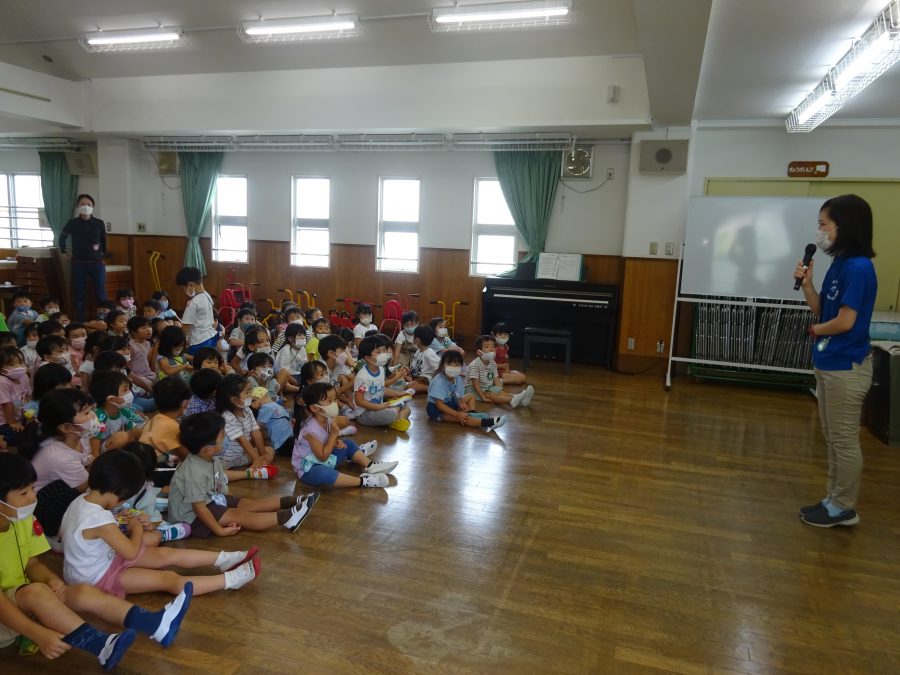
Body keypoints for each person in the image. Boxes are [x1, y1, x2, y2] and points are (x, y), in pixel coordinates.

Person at [0, 453, 192, 669]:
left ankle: (154, 624)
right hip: (7, 616)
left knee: (81, 591)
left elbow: (31, 564)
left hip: (24, 602)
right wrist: (38, 634)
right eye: (23, 493)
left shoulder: (23, 519)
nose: (33, 497)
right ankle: (100, 645)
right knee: (36, 592)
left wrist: (52, 580)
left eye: (32, 489)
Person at [59, 451, 260, 598]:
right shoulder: (99, 519)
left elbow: (69, 534)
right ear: (119, 492)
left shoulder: (81, 501)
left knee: (166, 554)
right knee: (168, 579)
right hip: (95, 578)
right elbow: (131, 552)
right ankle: (229, 581)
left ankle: (225, 559)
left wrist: (118, 520)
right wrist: (136, 528)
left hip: (98, 562)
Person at [794, 194, 877, 528]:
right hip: (829, 361)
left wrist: (816, 330)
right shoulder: (840, 263)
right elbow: (821, 308)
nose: (819, 231)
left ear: (844, 226)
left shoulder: (859, 268)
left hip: (847, 365)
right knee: (832, 436)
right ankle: (833, 499)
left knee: (843, 440)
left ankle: (844, 506)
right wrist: (807, 284)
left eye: (823, 224)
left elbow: (844, 322)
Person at [169, 412, 316, 536]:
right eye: (223, 436)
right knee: (240, 515)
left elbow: (221, 484)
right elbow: (199, 508)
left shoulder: (211, 458)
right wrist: (219, 530)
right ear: (209, 449)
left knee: (246, 504)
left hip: (211, 499)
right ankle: (287, 518)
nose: (226, 438)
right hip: (192, 517)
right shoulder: (193, 472)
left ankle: (295, 501)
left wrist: (230, 504)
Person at [21, 388, 97, 539]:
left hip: (55, 493)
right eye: (86, 413)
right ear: (65, 427)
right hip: (40, 507)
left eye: (91, 411)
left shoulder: (80, 436)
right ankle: (54, 534)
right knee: (72, 492)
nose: (93, 417)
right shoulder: (59, 456)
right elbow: (88, 489)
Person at [292, 382, 395, 489]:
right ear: (315, 408)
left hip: (324, 459)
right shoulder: (310, 431)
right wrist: (333, 436)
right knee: (324, 473)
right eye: (329, 401)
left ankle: (370, 465)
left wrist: (335, 442)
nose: (334, 403)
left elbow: (325, 440)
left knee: (348, 444)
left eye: (334, 399)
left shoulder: (326, 419)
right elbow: (322, 457)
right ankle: (364, 481)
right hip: (308, 468)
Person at [427, 351, 507, 432]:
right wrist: (457, 414)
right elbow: (440, 405)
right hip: (437, 408)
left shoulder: (457, 378)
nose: (453, 367)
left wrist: (460, 403)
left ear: (461, 366)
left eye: (457, 364)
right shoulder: (439, 382)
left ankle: (473, 414)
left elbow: (458, 396)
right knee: (462, 418)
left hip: (450, 401)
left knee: (470, 396)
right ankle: (488, 423)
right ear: (443, 366)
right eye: (449, 364)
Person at [59, 194, 108, 322]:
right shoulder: (72, 223)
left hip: (97, 263)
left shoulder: (99, 223)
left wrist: (104, 255)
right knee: (79, 295)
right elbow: (62, 237)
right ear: (77, 206)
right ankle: (80, 322)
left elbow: (104, 241)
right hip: (79, 263)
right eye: (82, 204)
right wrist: (63, 251)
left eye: (89, 204)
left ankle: (103, 320)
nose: (86, 206)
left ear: (93, 207)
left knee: (101, 294)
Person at [215, 374, 276, 470]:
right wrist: (257, 459)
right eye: (247, 392)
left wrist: (262, 454)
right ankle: (254, 470)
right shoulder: (226, 416)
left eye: (250, 391)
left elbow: (256, 432)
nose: (251, 395)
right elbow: (242, 440)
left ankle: (257, 467)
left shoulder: (247, 410)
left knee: (269, 450)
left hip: (242, 455)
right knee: (216, 468)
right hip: (227, 459)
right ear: (234, 400)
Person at [353, 336, 412, 431]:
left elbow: (381, 389)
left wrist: (399, 394)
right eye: (378, 352)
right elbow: (359, 401)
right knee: (392, 413)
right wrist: (378, 407)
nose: (384, 354)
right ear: (367, 358)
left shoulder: (380, 369)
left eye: (384, 350)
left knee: (407, 408)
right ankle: (396, 418)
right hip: (364, 413)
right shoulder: (362, 376)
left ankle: (397, 421)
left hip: (380, 407)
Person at [466, 335, 534, 408]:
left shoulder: (493, 363)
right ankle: (512, 400)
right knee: (491, 394)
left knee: (500, 392)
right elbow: (475, 385)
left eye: (493, 346)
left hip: (488, 387)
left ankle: (520, 400)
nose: (491, 349)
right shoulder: (475, 365)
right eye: (487, 347)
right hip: (473, 389)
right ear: (479, 352)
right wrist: (483, 398)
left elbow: (496, 379)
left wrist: (499, 390)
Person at [88, 370, 144, 457]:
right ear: (111, 399)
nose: (130, 393)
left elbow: (135, 429)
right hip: (103, 450)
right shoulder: (100, 416)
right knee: (122, 437)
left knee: (136, 431)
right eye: (125, 390)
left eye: (129, 389)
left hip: (119, 446)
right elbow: (95, 445)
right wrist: (97, 460)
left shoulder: (123, 410)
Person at [176, 267, 217, 356]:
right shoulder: (207, 296)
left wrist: (177, 342)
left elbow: (185, 327)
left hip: (199, 342)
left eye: (183, 288)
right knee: (208, 361)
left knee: (197, 362)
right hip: (211, 337)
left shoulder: (193, 303)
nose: (184, 292)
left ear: (190, 285)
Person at [0, 346, 31, 447]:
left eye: (21, 362)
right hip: (4, 421)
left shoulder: (24, 376)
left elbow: (27, 396)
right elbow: (6, 405)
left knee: (34, 428)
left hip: (19, 416)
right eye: (12, 364)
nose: (18, 367)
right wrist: (12, 422)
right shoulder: (2, 381)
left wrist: (30, 415)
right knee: (19, 437)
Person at [408, 325, 441, 395]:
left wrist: (434, 380)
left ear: (417, 340)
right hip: (416, 377)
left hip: (424, 379)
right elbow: (414, 367)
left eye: (413, 336)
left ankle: (429, 388)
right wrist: (408, 372)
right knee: (400, 379)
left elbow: (440, 366)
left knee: (410, 386)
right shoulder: (418, 351)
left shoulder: (429, 353)